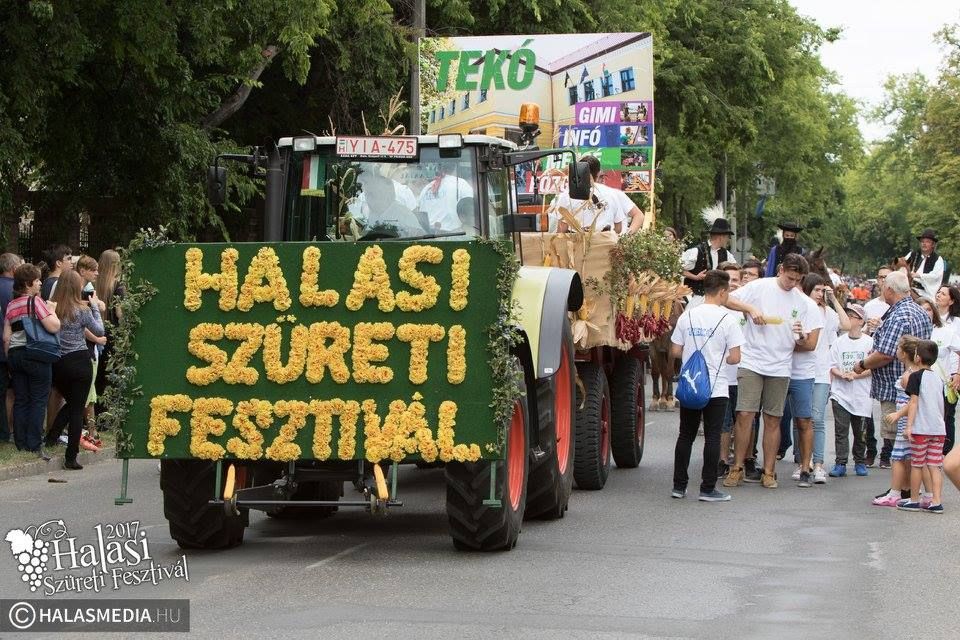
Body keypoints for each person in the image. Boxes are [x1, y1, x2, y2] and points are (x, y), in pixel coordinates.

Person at [722, 253, 812, 489]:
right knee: (745, 414)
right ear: (781, 270)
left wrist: (801, 336)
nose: (791, 283)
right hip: (752, 360)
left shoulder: (801, 301)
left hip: (781, 364)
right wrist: (750, 309)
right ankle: (737, 467)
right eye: (789, 277)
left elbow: (804, 340)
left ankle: (769, 470)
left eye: (796, 280)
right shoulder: (759, 287)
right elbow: (727, 299)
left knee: (774, 418)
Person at [670, 270, 744, 502]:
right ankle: (707, 488)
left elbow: (675, 351)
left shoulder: (688, 316)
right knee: (713, 436)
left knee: (685, 435)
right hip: (716, 386)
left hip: (690, 385)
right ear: (722, 292)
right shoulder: (728, 319)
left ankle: (679, 486)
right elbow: (735, 357)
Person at [854, 270, 933, 468]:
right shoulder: (921, 311)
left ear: (889, 290)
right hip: (918, 382)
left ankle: (901, 489)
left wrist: (862, 365)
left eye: (883, 287)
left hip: (897, 386)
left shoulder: (898, 315)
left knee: (900, 441)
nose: (881, 289)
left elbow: (885, 354)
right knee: (913, 440)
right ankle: (906, 489)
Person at [3, 263, 61, 459]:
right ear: (28, 283)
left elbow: (6, 337)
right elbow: (53, 326)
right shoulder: (35, 302)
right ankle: (34, 443)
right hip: (36, 354)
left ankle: (20, 441)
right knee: (38, 399)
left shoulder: (11, 305)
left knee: (21, 399)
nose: (40, 283)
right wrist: (52, 310)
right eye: (37, 280)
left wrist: (10, 359)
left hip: (15, 355)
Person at [49, 270, 104, 470]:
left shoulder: (52, 308)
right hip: (80, 360)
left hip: (59, 362)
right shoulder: (82, 310)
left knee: (73, 402)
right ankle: (71, 456)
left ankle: (52, 436)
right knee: (76, 409)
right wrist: (96, 307)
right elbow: (99, 330)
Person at [785, 274, 825, 488]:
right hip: (778, 369)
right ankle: (768, 469)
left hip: (803, 372)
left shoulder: (810, 308)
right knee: (773, 420)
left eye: (797, 282)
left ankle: (806, 467)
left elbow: (810, 344)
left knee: (804, 420)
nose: (793, 286)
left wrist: (786, 343)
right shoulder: (780, 301)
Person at [809, 275, 851, 482]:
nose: (820, 294)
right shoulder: (803, 308)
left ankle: (818, 463)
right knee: (801, 419)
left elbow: (846, 325)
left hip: (821, 371)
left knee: (817, 419)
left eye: (822, 290)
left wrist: (833, 299)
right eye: (816, 290)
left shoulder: (828, 312)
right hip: (800, 370)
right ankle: (803, 461)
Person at [872, 337, 922, 507]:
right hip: (909, 421)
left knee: (898, 457)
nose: (896, 350)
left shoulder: (909, 376)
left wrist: (898, 414)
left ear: (905, 353)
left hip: (906, 421)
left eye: (899, 347)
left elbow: (913, 401)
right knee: (908, 457)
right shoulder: (914, 372)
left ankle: (895, 492)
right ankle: (907, 488)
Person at [898, 340, 946, 512]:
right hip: (938, 428)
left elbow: (913, 402)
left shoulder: (915, 377)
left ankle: (914, 499)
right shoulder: (939, 379)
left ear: (917, 358)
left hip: (921, 428)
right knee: (935, 465)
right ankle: (936, 501)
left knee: (917, 464)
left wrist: (909, 426)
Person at [829, 304, 874, 477]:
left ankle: (860, 462)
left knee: (860, 431)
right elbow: (832, 365)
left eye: (853, 316)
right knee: (841, 430)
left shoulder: (869, 342)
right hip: (841, 393)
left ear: (861, 321)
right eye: (847, 315)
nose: (848, 318)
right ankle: (840, 463)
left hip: (862, 394)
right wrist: (842, 374)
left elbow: (874, 367)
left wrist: (855, 376)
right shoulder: (839, 342)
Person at [554, 156, 631, 234]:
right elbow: (618, 228)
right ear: (598, 173)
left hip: (578, 243)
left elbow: (561, 230)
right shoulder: (611, 193)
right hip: (606, 243)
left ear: (578, 172)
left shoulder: (567, 196)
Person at [717, 262, 743, 475]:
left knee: (745, 422)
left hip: (745, 375)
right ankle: (722, 461)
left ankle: (744, 462)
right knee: (724, 423)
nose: (732, 284)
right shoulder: (711, 309)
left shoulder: (747, 309)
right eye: (728, 280)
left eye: (735, 279)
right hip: (721, 377)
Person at [94, 249, 124, 420]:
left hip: (96, 332)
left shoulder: (95, 284)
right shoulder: (118, 285)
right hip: (112, 334)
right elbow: (120, 313)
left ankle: (93, 413)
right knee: (110, 375)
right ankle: (106, 415)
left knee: (97, 375)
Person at [352, 169, 425, 238]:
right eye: (367, 196)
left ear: (383, 193)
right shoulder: (370, 214)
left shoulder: (404, 214)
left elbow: (419, 239)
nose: (368, 200)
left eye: (371, 195)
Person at [681, 219, 736, 308]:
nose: (728, 239)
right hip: (698, 299)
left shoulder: (727, 254)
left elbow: (736, 270)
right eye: (727, 236)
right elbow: (678, 269)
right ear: (721, 237)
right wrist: (695, 277)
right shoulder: (696, 251)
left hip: (719, 300)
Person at [934, 285, 960, 454]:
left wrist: (958, 374)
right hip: (933, 372)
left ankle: (946, 451)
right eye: (938, 292)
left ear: (951, 300)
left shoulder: (957, 323)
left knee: (947, 414)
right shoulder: (930, 319)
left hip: (951, 374)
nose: (938, 295)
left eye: (943, 294)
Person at [417, 161, 475, 233]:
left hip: (429, 236)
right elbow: (472, 208)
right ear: (455, 167)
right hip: (453, 236)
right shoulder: (461, 184)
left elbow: (420, 214)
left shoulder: (427, 188)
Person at [0, 253, 21, 444]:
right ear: (14, 269)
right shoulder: (14, 290)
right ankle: (9, 430)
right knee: (11, 392)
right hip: (10, 346)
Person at [901, 228, 948, 301]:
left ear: (933, 244)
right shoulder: (913, 254)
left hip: (925, 292)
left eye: (927, 242)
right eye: (922, 241)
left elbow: (935, 276)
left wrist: (919, 275)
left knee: (927, 306)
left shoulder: (938, 259)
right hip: (908, 288)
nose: (924, 244)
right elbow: (903, 265)